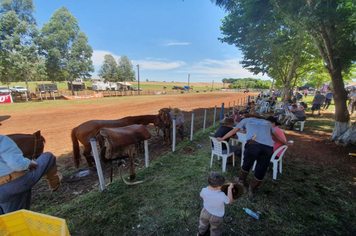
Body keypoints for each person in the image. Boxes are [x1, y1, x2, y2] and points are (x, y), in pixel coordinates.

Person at [217, 113, 292, 197]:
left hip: (253, 145)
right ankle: (252, 190)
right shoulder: (267, 123)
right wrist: (286, 143)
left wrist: (222, 138)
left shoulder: (246, 120)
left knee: (247, 164)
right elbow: (277, 136)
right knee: (261, 169)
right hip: (268, 148)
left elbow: (233, 131)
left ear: (250, 116)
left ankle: (241, 181)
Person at [0, 115, 62, 215]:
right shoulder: (2, 140)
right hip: (13, 184)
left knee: (5, 221)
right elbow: (17, 165)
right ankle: (53, 181)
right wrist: (29, 163)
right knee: (48, 157)